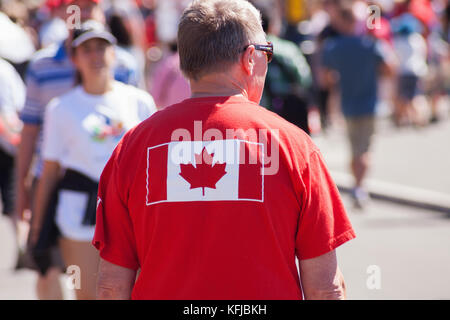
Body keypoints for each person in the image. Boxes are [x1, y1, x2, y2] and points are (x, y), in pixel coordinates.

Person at [94, 0, 355, 300]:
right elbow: (325, 288)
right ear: (249, 59)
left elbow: (112, 286)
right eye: (266, 53)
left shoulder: (132, 148)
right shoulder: (294, 147)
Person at [15, 0, 140, 300]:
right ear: (74, 58)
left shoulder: (139, 101)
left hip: (128, 214)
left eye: (102, 48)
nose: (96, 56)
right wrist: (36, 227)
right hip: (79, 216)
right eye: (87, 49)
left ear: (114, 52)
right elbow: (50, 169)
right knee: (89, 292)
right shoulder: (60, 108)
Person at [321, 7, 395, 209]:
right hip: (369, 102)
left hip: (347, 103)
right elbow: (389, 68)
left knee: (354, 148)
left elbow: (326, 78)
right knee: (364, 149)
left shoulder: (333, 46)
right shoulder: (371, 44)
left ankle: (357, 186)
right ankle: (360, 187)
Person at [255, 1, 313, 135]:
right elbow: (305, 79)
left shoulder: (244, 51)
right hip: (287, 118)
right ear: (274, 23)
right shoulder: (288, 49)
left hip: (257, 119)